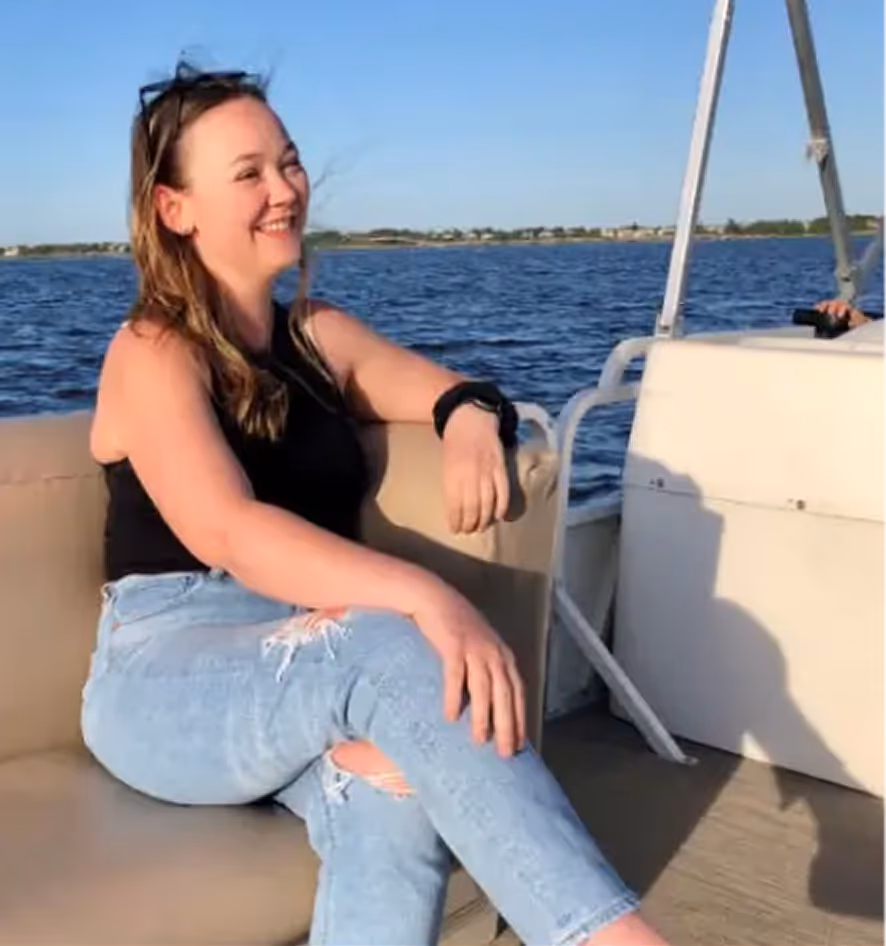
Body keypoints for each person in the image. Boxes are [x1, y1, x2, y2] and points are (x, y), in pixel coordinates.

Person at [81, 61, 667, 946]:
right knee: (390, 637)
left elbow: (455, 391)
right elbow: (230, 531)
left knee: (392, 790)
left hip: (307, 660)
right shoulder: (152, 349)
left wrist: (473, 418)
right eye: (248, 174)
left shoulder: (316, 338)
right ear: (175, 208)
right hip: (164, 671)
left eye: (288, 162)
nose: (284, 189)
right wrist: (430, 594)